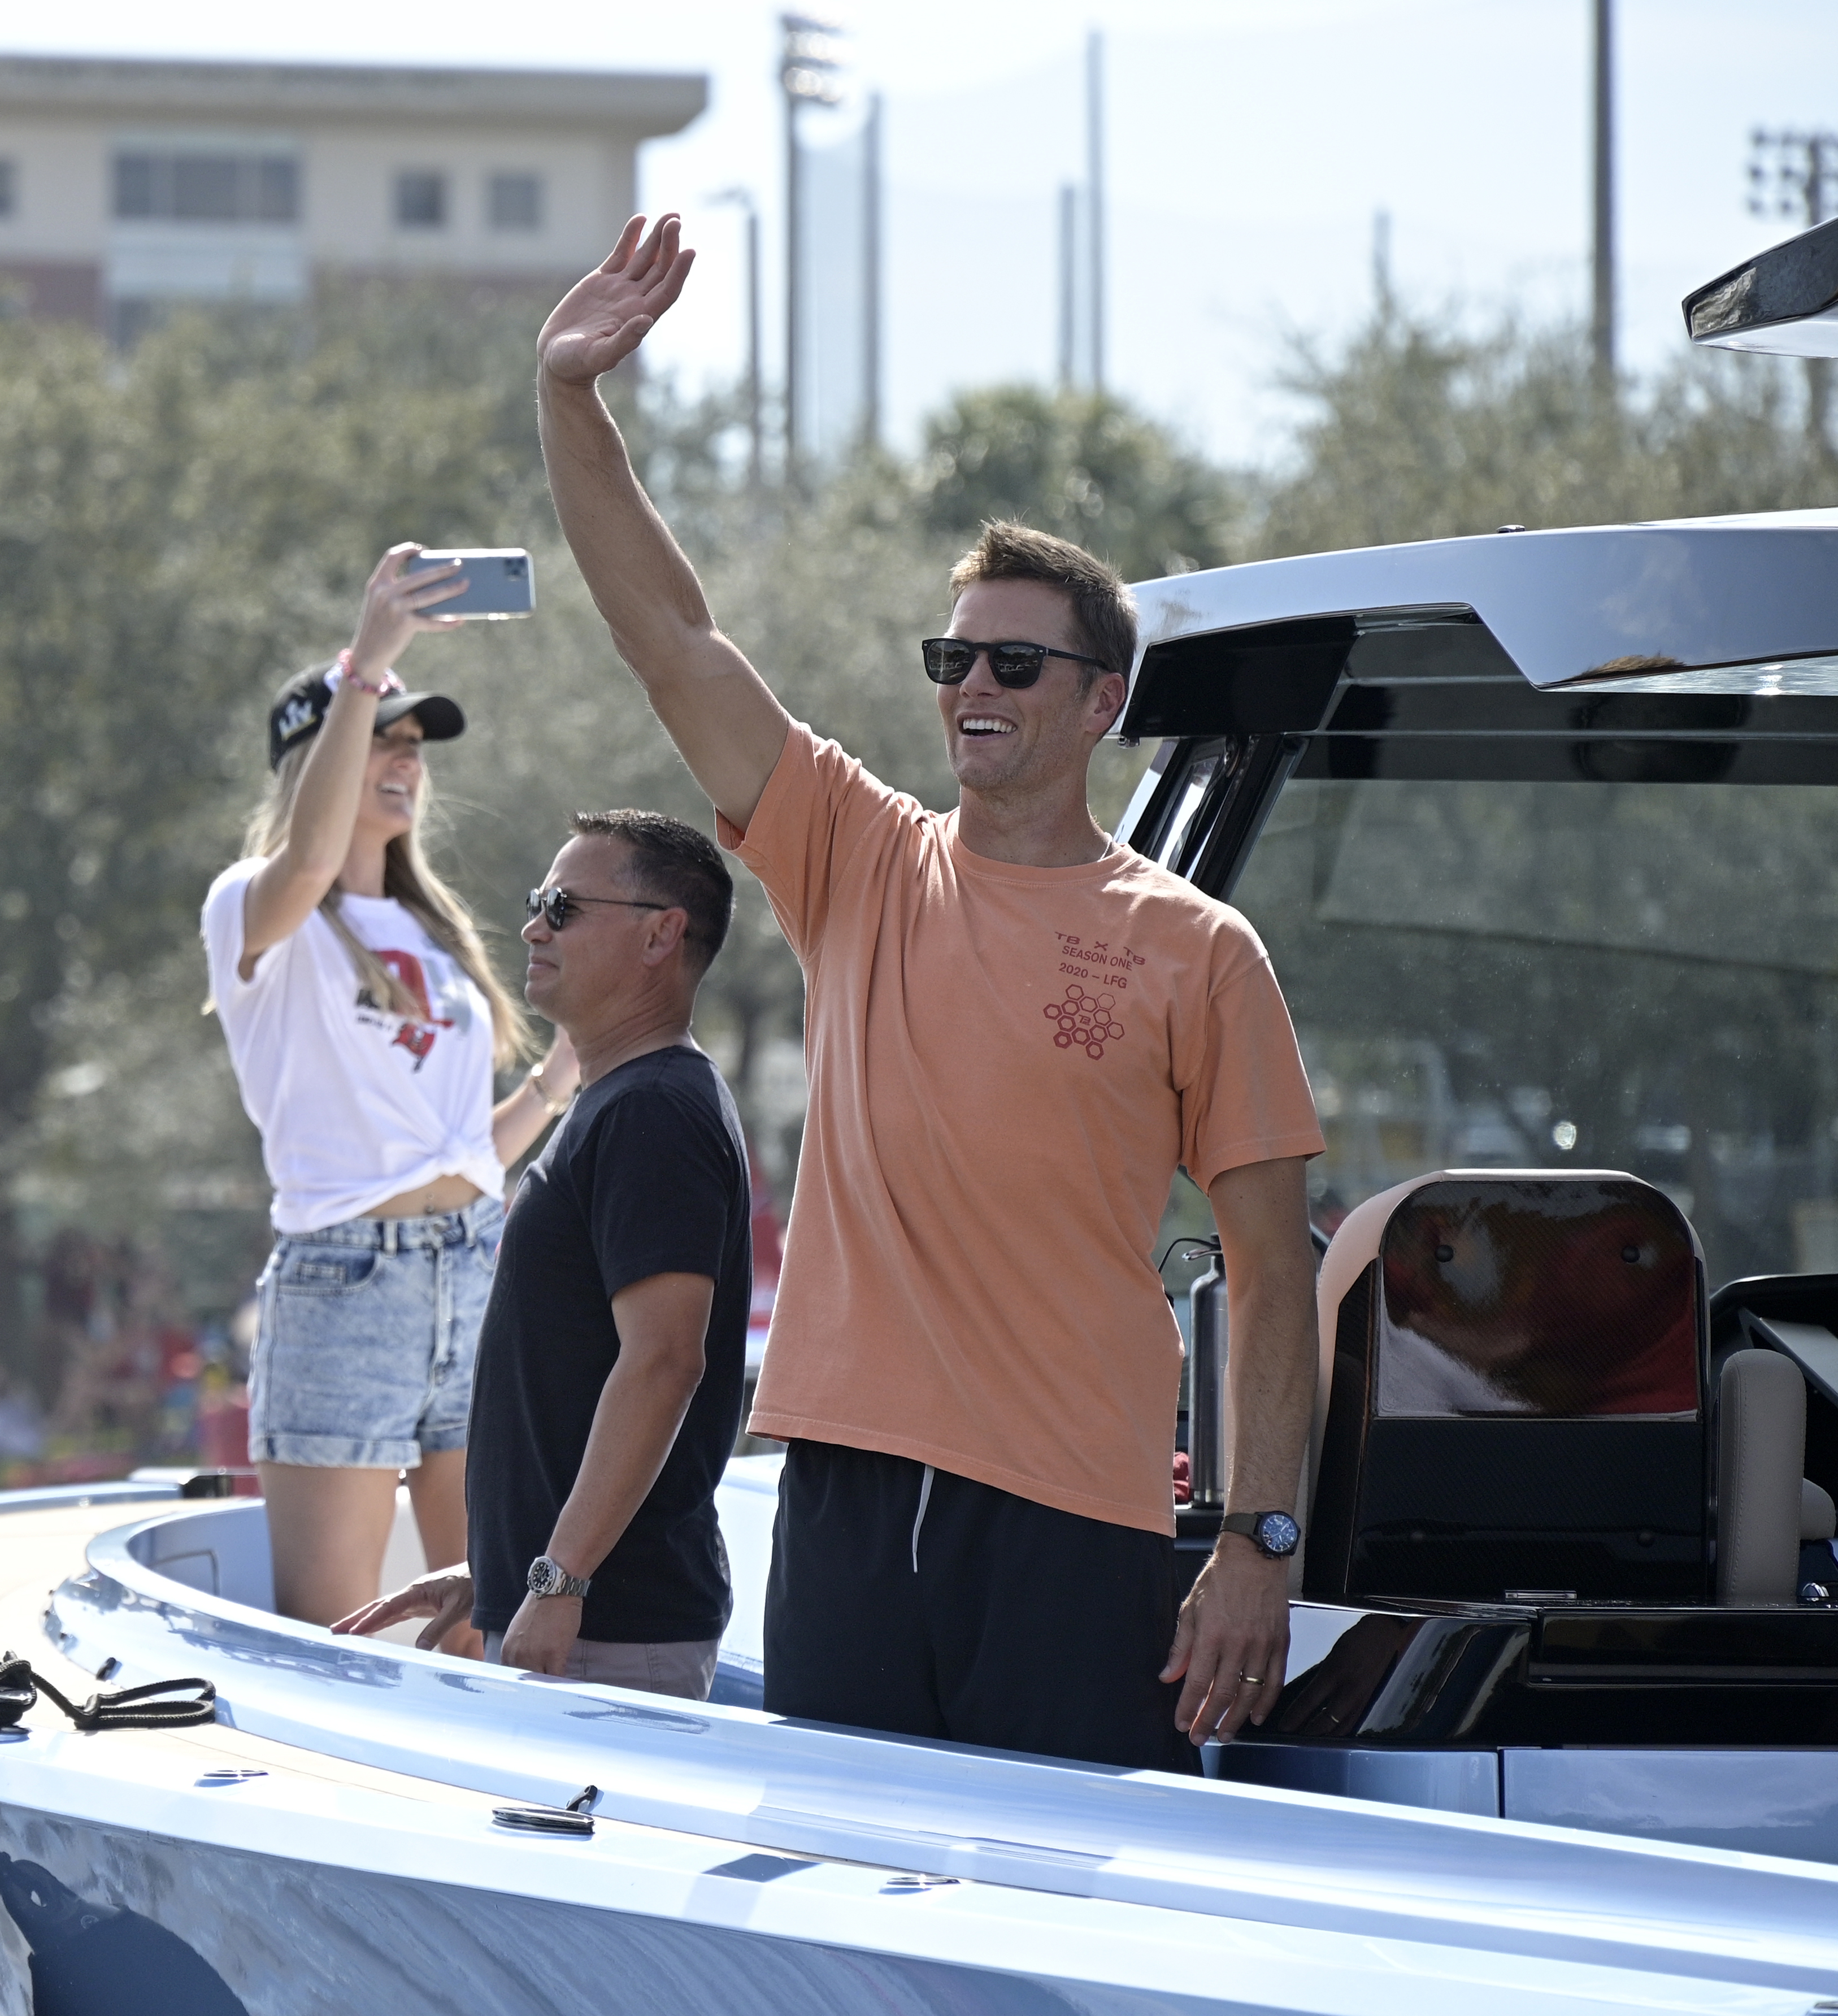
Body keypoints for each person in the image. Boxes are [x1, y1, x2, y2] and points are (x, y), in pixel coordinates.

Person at [531, 216, 1327, 1765]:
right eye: (951, 659)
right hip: (842, 1493)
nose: (972, 687)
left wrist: (1260, 1540)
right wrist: (572, 404)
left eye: (1015, 667)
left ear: (1105, 701)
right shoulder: (861, 856)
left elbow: (1272, 1273)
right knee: (841, 1935)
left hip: (1073, 1515)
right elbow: (673, 638)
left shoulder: (1200, 947)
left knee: (1061, 1935)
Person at [201, 547, 581, 1630]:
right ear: (315, 756)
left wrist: (562, 1074)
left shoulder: (436, 931)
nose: (407, 760)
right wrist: (366, 660)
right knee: (345, 1635)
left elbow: (461, 1152)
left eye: (416, 745)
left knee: (478, 1622)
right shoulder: (254, 911)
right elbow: (309, 865)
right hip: (345, 1282)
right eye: (381, 738)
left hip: (471, 1272)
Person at [334, 811, 752, 1700]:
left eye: (561, 906)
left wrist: (559, 1580)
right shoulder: (626, 1102)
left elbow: (664, 1361)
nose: (532, 927)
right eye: (537, 903)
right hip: (573, 1616)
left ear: (659, 934)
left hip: (606, 1628)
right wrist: (499, 1570)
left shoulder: (655, 1112)